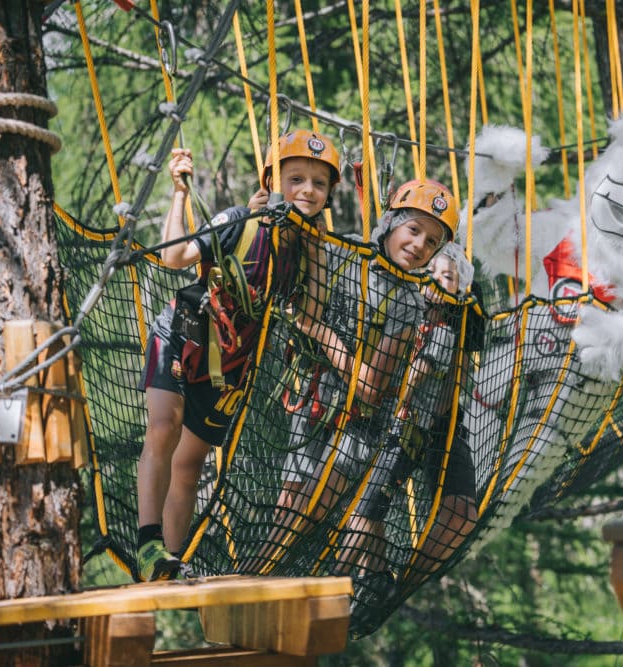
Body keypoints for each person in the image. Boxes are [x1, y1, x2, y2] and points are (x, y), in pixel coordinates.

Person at [135, 128, 342, 582]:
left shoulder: (308, 252)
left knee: (189, 467)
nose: (307, 190)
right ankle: (148, 543)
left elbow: (311, 312)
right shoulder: (240, 222)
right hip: (184, 332)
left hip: (228, 367)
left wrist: (316, 245)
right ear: (273, 182)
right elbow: (174, 257)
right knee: (163, 428)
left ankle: (169, 562)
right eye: (296, 179)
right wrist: (179, 193)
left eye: (318, 184)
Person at [248, 179, 459, 576]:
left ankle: (265, 579)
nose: (418, 246)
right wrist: (264, 212)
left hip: (361, 422)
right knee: (288, 505)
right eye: (413, 231)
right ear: (392, 224)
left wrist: (322, 333)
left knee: (308, 512)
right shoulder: (345, 255)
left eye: (431, 243)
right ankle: (254, 580)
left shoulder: (409, 304)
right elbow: (305, 277)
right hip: (316, 400)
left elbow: (369, 386)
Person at [338, 242, 480, 615]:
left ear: (459, 292)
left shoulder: (447, 330)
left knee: (365, 513)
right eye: (430, 274)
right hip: (395, 421)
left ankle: (353, 582)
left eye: (446, 277)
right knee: (366, 512)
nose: (435, 282)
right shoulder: (406, 313)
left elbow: (423, 376)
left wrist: (403, 401)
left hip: (413, 424)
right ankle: (373, 577)